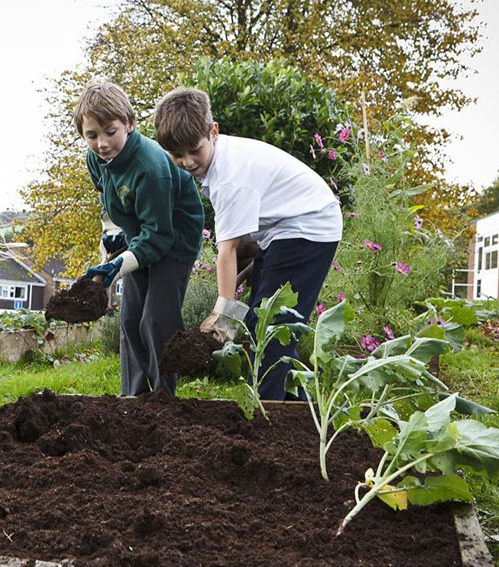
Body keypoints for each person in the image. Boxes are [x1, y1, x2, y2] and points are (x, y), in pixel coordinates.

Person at [154, 88, 342, 401]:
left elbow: (226, 252)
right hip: (285, 230)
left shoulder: (230, 176)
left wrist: (223, 318)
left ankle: (268, 412)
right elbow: (242, 243)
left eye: (193, 151)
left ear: (213, 132)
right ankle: (297, 410)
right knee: (266, 321)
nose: (186, 162)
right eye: (176, 155)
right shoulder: (219, 159)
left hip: (308, 228)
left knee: (270, 329)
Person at [75, 80, 204, 396]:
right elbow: (109, 202)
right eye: (91, 135)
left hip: (173, 239)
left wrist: (119, 265)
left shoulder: (149, 166)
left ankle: (162, 397)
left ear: (130, 124)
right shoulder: (96, 160)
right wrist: (111, 243)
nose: (102, 143)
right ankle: (134, 398)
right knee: (131, 318)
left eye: (110, 131)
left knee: (155, 319)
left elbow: (159, 237)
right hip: (140, 236)